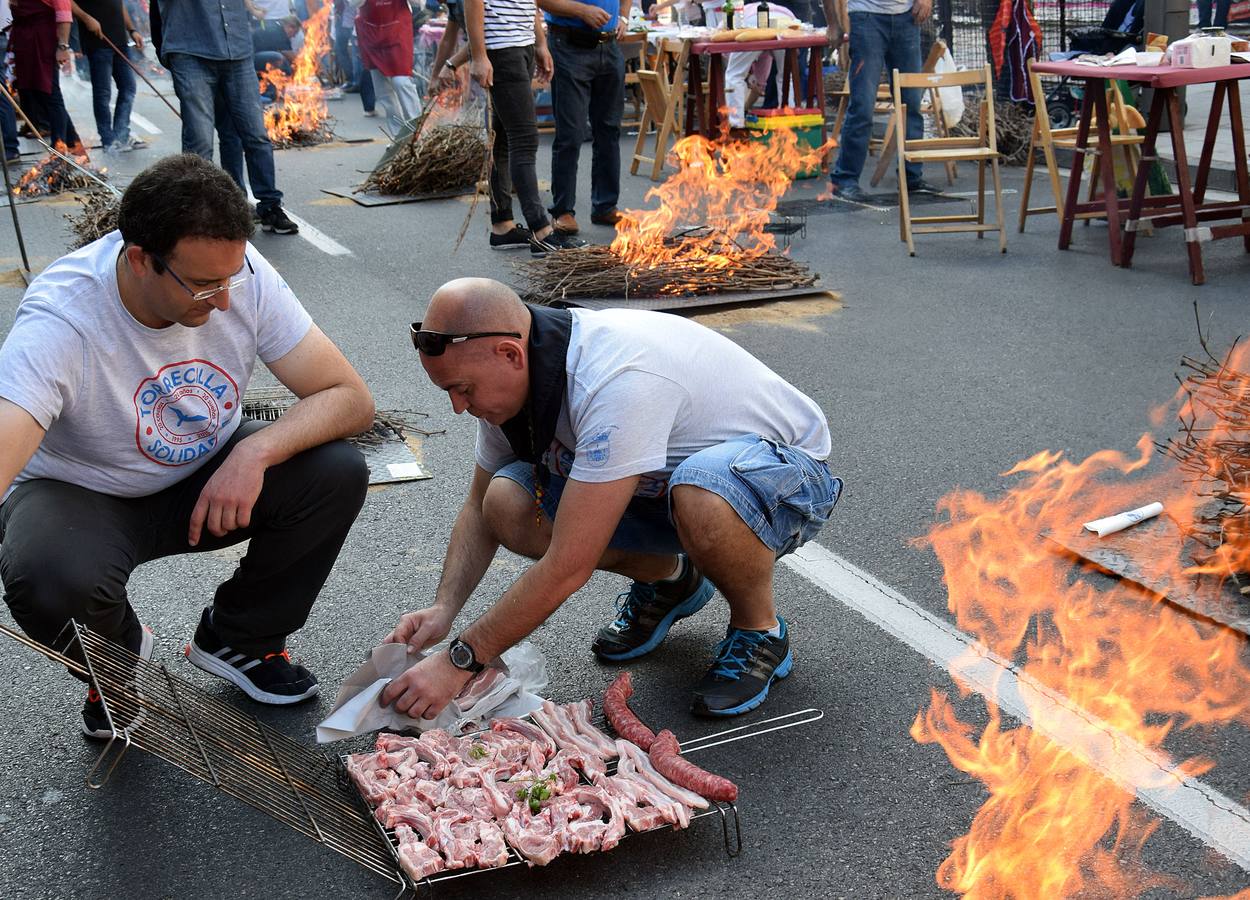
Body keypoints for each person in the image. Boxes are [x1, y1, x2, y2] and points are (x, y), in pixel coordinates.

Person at [0, 155, 374, 736]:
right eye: (203, 285)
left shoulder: (240, 275)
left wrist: (255, 452)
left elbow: (348, 397)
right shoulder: (63, 317)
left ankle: (240, 638)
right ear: (140, 260)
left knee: (336, 469)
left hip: (207, 474)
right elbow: (6, 438)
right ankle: (119, 665)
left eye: (230, 279)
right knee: (48, 575)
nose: (223, 300)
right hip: (83, 493)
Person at [380, 278, 841, 721]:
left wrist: (461, 659)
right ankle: (674, 580)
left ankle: (759, 631)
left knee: (701, 491)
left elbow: (568, 564)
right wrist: (445, 608)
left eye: (463, 390)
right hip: (661, 485)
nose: (459, 407)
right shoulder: (512, 379)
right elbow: (477, 510)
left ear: (510, 353)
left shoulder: (616, 380)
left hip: (783, 482)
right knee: (505, 500)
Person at [158, 0, 301, 235]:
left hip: (238, 50)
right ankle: (198, 217)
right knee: (200, 142)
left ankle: (270, 207)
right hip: (190, 51)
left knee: (256, 135)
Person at [465, 0, 586, 253]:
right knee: (524, 138)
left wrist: (540, 43)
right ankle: (541, 230)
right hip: (503, 48)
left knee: (504, 137)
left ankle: (502, 226)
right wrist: (478, 56)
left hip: (521, 45)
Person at [824, 0, 939, 202]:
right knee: (863, 105)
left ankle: (912, 177)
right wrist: (832, 23)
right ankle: (845, 180)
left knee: (911, 103)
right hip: (866, 17)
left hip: (907, 17)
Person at [536, 0, 628, 235]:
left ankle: (605, 205)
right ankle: (563, 210)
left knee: (608, 129)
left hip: (609, 46)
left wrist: (624, 17)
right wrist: (582, 11)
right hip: (568, 45)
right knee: (571, 132)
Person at [9, 0, 85, 155]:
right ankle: (74, 145)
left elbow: (64, 14)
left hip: (44, 39)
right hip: (24, 39)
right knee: (35, 92)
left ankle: (59, 147)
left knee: (49, 92)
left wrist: (62, 46)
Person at [73, 0, 146, 152]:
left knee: (128, 88)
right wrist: (87, 18)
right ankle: (108, 140)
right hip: (97, 41)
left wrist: (132, 30)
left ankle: (121, 135)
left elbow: (119, 4)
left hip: (120, 40)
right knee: (103, 93)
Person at [353, 0, 423, 135]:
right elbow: (353, 3)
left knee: (401, 82)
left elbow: (418, 2)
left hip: (397, 31)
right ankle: (398, 136)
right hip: (371, 34)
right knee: (383, 92)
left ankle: (417, 132)